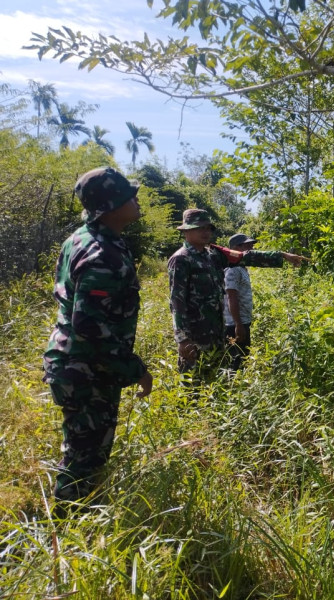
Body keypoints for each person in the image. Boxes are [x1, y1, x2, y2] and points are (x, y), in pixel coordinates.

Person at [43, 166, 153, 512]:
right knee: (84, 460)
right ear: (109, 206)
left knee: (80, 449)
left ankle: (75, 521)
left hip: (77, 364)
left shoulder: (79, 239)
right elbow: (89, 326)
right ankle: (65, 531)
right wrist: (135, 369)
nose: (135, 199)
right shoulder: (102, 253)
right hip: (87, 368)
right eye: (127, 195)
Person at [167, 209, 307, 377]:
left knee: (216, 384)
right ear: (186, 231)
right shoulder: (181, 259)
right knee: (192, 387)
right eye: (199, 228)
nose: (205, 232)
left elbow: (245, 256)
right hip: (194, 338)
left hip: (216, 335)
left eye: (208, 228)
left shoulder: (213, 255)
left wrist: (282, 255)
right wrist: (182, 339)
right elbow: (177, 303)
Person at [224, 233, 257, 370]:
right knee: (237, 359)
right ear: (236, 248)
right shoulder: (233, 270)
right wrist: (238, 324)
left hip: (241, 321)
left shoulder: (241, 266)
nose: (251, 248)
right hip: (234, 324)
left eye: (251, 245)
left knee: (243, 356)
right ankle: (232, 387)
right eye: (247, 245)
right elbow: (232, 297)